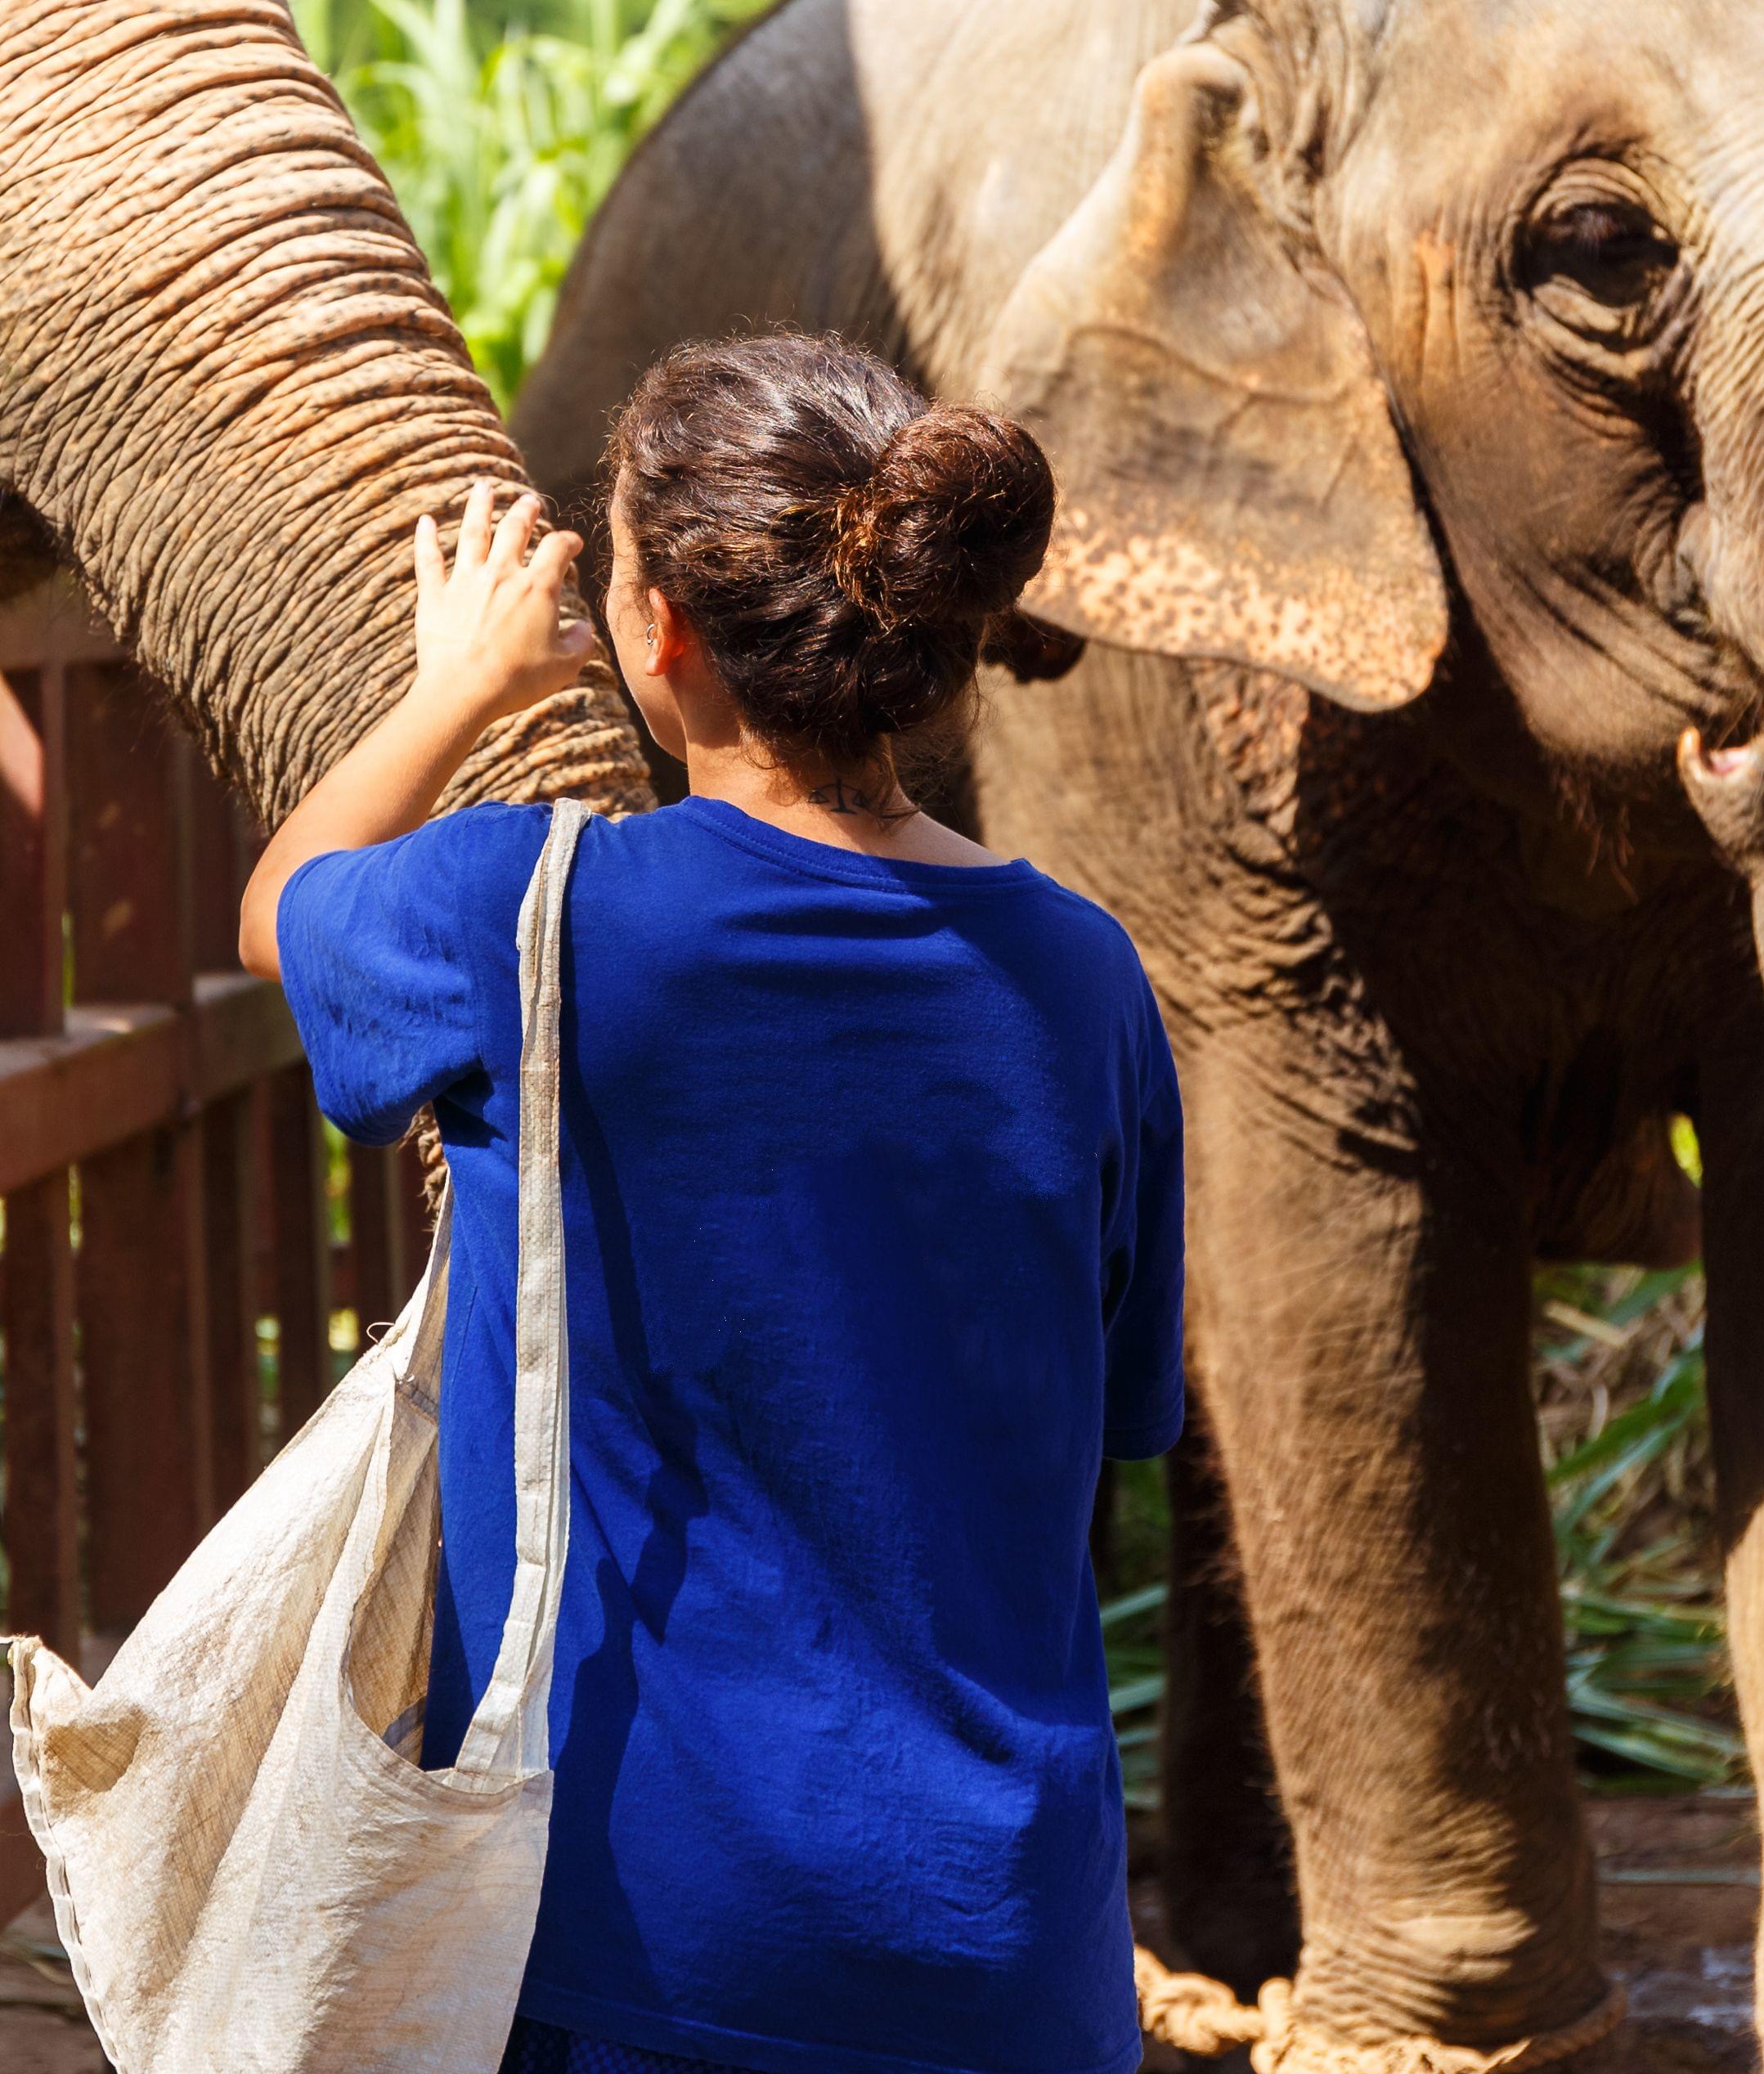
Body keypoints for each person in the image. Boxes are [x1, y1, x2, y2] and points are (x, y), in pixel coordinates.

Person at [240, 331, 1187, 2074]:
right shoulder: (1085, 979)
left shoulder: (526, 915)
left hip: (631, 1937)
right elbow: (1120, 1410)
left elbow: (282, 912)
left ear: (655, 634)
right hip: (1005, 1947)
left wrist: (455, 682)